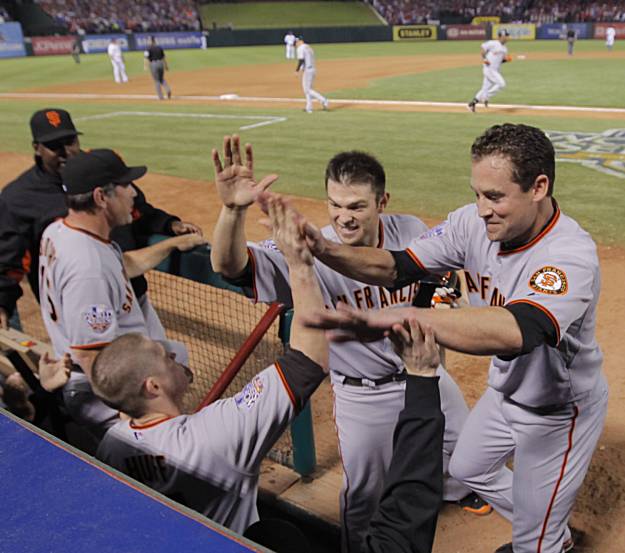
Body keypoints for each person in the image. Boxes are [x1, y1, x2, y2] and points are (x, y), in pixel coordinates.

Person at [299, 123, 608, 553]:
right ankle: (544, 526)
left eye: (495, 197)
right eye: (477, 193)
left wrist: (401, 316)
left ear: (539, 187)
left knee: (534, 544)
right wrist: (326, 250)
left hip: (557, 411)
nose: (481, 209)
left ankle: (545, 540)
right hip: (506, 394)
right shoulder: (470, 222)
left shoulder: (568, 255)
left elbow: (519, 330)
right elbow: (399, 266)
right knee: (468, 469)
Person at [210, 136, 490, 553]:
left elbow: (442, 279)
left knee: (467, 448)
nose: (344, 217)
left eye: (357, 206)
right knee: (364, 495)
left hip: (424, 377)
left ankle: (449, 489)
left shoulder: (409, 230)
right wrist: (233, 211)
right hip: (364, 395)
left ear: (382, 201)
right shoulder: (305, 245)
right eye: (335, 205)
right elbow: (230, 266)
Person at [94, 196, 330, 535]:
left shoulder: (112, 445)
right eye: (165, 357)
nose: (174, 354)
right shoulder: (215, 434)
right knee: (280, 535)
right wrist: (300, 265)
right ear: (153, 387)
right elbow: (308, 361)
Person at [39, 149, 206, 435]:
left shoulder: (59, 231)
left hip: (108, 373)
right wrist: (132, 421)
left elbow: (121, 265)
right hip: (102, 392)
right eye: (125, 187)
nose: (133, 194)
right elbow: (92, 358)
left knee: (176, 353)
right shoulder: (87, 269)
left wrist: (169, 245)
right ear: (101, 198)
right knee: (174, 452)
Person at [0, 108, 202, 333]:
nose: (67, 152)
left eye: (71, 141)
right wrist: (2, 304)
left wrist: (169, 225)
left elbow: (137, 211)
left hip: (132, 295)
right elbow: (9, 261)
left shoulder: (97, 170)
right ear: (37, 148)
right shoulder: (18, 199)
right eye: (55, 146)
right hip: (81, 307)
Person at [467, 29, 511, 113]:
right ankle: (486, 96)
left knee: (484, 88)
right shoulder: (493, 43)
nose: (507, 38)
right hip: (489, 69)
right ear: (501, 36)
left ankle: (472, 104)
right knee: (502, 84)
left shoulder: (505, 49)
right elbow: (483, 47)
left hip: (495, 70)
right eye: (506, 36)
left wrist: (506, 60)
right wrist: (484, 59)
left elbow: (500, 61)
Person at [295, 37, 329, 114]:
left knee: (308, 90)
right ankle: (309, 108)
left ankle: (324, 100)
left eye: (297, 42)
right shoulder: (308, 47)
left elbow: (301, 60)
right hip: (312, 69)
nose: (296, 44)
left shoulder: (301, 48)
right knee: (307, 89)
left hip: (308, 70)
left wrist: (297, 70)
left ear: (300, 41)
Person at [144, 36, 172, 100]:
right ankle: (168, 89)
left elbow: (146, 58)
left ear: (151, 41)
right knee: (161, 79)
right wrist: (166, 66)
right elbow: (163, 58)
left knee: (156, 81)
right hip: (161, 64)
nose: (148, 42)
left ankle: (160, 96)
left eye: (149, 40)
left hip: (153, 64)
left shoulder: (148, 48)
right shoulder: (159, 48)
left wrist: (145, 66)